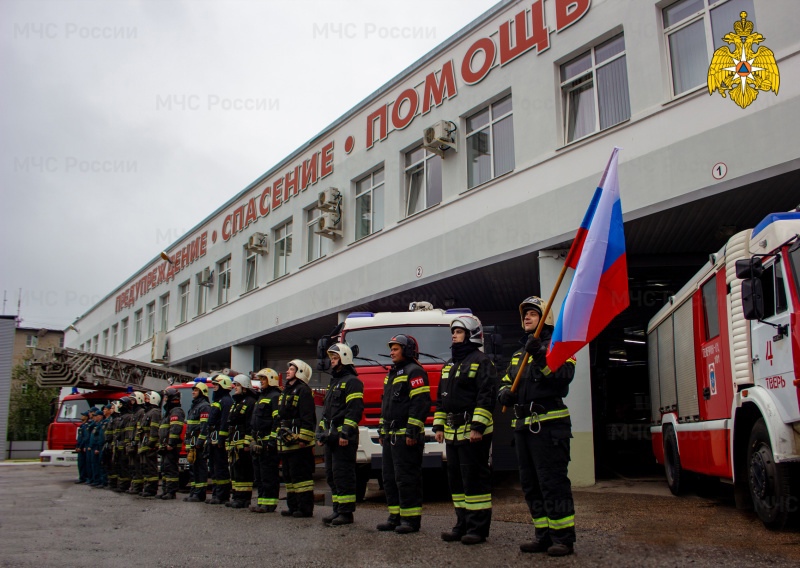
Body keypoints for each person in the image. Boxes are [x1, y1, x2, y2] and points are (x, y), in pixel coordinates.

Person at [498, 295, 577, 557]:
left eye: (532, 313)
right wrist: (504, 394)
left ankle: (563, 538)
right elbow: (505, 382)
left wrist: (541, 354)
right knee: (530, 484)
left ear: (546, 318)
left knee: (552, 483)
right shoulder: (518, 354)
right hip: (523, 427)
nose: (527, 318)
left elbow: (561, 379)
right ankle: (543, 535)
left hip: (549, 426)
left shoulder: (560, 347)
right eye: (525, 315)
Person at [433, 315, 497, 544]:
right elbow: (441, 399)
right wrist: (439, 426)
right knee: (457, 481)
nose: (454, 335)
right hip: (452, 433)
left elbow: (486, 396)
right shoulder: (449, 365)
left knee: (475, 480)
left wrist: (478, 427)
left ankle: (477, 528)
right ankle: (461, 524)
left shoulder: (482, 362)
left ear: (471, 335)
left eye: (459, 332)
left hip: (473, 433)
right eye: (453, 332)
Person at [377, 334, 430, 534]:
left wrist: (412, 431)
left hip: (406, 437)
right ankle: (395, 516)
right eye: (391, 348)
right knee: (390, 478)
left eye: (396, 348)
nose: (391, 352)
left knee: (407, 478)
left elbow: (420, 403)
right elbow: (386, 405)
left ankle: (410, 520)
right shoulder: (392, 373)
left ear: (407, 350)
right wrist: (382, 429)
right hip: (391, 436)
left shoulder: (415, 371)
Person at [317, 343, 364, 526]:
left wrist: (346, 433)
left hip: (344, 438)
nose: (332, 361)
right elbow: (327, 412)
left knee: (343, 475)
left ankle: (346, 513)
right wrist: (321, 432)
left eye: (335, 358)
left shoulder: (353, 382)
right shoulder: (334, 382)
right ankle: (337, 509)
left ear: (344, 358)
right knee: (331, 475)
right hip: (331, 437)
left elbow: (354, 411)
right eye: (331, 358)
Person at [275, 359, 316, 518]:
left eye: (292, 369)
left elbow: (308, 417)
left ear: (300, 372)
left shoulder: (303, 391)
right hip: (286, 443)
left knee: (301, 478)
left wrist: (303, 439)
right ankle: (293, 507)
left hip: (299, 444)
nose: (288, 371)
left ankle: (305, 509)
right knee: (289, 477)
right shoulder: (286, 391)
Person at [249, 368, 282, 513]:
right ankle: (261, 502)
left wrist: (272, 441)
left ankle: (270, 503)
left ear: (271, 380)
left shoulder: (275, 396)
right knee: (260, 475)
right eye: (260, 379)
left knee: (269, 474)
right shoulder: (261, 397)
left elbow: (277, 420)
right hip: (258, 442)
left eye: (263, 379)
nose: (261, 382)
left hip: (268, 443)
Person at [226, 374, 257, 509]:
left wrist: (246, 443)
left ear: (245, 387)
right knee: (235, 471)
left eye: (237, 385)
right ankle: (237, 496)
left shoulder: (250, 402)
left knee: (244, 471)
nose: (235, 388)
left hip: (242, 443)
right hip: (234, 442)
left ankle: (244, 498)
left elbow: (250, 424)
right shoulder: (236, 402)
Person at [206, 374, 234, 505]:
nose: (214, 388)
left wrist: (221, 440)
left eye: (216, 385)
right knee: (214, 467)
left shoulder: (226, 401)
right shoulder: (217, 401)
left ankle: (223, 495)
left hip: (219, 441)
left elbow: (224, 422)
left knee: (221, 467)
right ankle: (216, 493)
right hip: (213, 439)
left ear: (223, 385)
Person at [184, 380, 212, 502]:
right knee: (193, 468)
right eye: (193, 390)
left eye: (196, 390)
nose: (193, 392)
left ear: (202, 392)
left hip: (198, 444)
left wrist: (200, 443)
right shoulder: (194, 406)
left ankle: (200, 494)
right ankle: (194, 491)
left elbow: (204, 427)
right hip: (192, 443)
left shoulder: (204, 406)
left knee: (200, 468)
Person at [157, 387, 185, 500]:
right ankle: (165, 490)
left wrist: (171, 444)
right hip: (165, 446)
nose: (165, 399)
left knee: (170, 469)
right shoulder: (168, 412)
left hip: (171, 447)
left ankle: (171, 492)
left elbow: (175, 429)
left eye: (166, 397)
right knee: (164, 468)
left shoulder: (176, 411)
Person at [139, 391, 162, 498]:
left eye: (147, 399)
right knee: (145, 467)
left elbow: (154, 430)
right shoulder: (147, 412)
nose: (145, 401)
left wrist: (151, 443)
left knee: (151, 467)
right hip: (145, 444)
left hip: (150, 445)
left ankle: (151, 488)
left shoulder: (155, 412)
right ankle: (147, 487)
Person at [127, 392, 147, 495]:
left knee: (138, 466)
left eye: (133, 400)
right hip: (132, 443)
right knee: (133, 466)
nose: (131, 402)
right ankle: (134, 486)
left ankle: (138, 487)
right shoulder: (134, 413)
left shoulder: (141, 412)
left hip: (137, 444)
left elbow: (139, 429)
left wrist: (136, 441)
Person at [115, 397, 134, 492]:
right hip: (120, 445)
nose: (119, 406)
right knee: (120, 466)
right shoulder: (122, 417)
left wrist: (126, 445)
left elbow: (128, 433)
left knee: (125, 466)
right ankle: (121, 485)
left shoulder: (127, 417)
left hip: (124, 446)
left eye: (121, 404)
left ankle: (124, 486)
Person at [75, 411, 90, 484]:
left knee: (84, 463)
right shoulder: (82, 426)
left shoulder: (86, 426)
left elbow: (85, 437)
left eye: (83, 415)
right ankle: (81, 477)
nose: (81, 417)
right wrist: (77, 446)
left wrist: (80, 446)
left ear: (87, 417)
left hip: (83, 447)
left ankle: (84, 477)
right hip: (80, 447)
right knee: (80, 464)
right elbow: (79, 438)